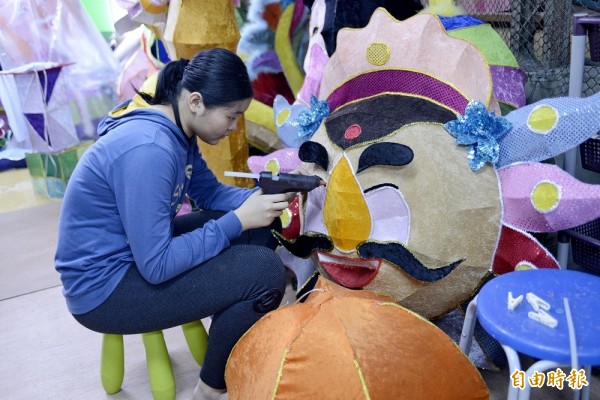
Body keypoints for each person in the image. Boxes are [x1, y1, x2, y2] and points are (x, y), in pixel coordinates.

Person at [55, 48, 293, 400]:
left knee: (259, 227)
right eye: (231, 116)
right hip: (103, 290)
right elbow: (157, 265)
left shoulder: (178, 131)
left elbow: (209, 193)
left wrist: (267, 195)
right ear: (195, 101)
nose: (232, 128)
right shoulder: (151, 149)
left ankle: (231, 339)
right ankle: (211, 389)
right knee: (265, 272)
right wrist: (237, 220)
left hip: (133, 257)